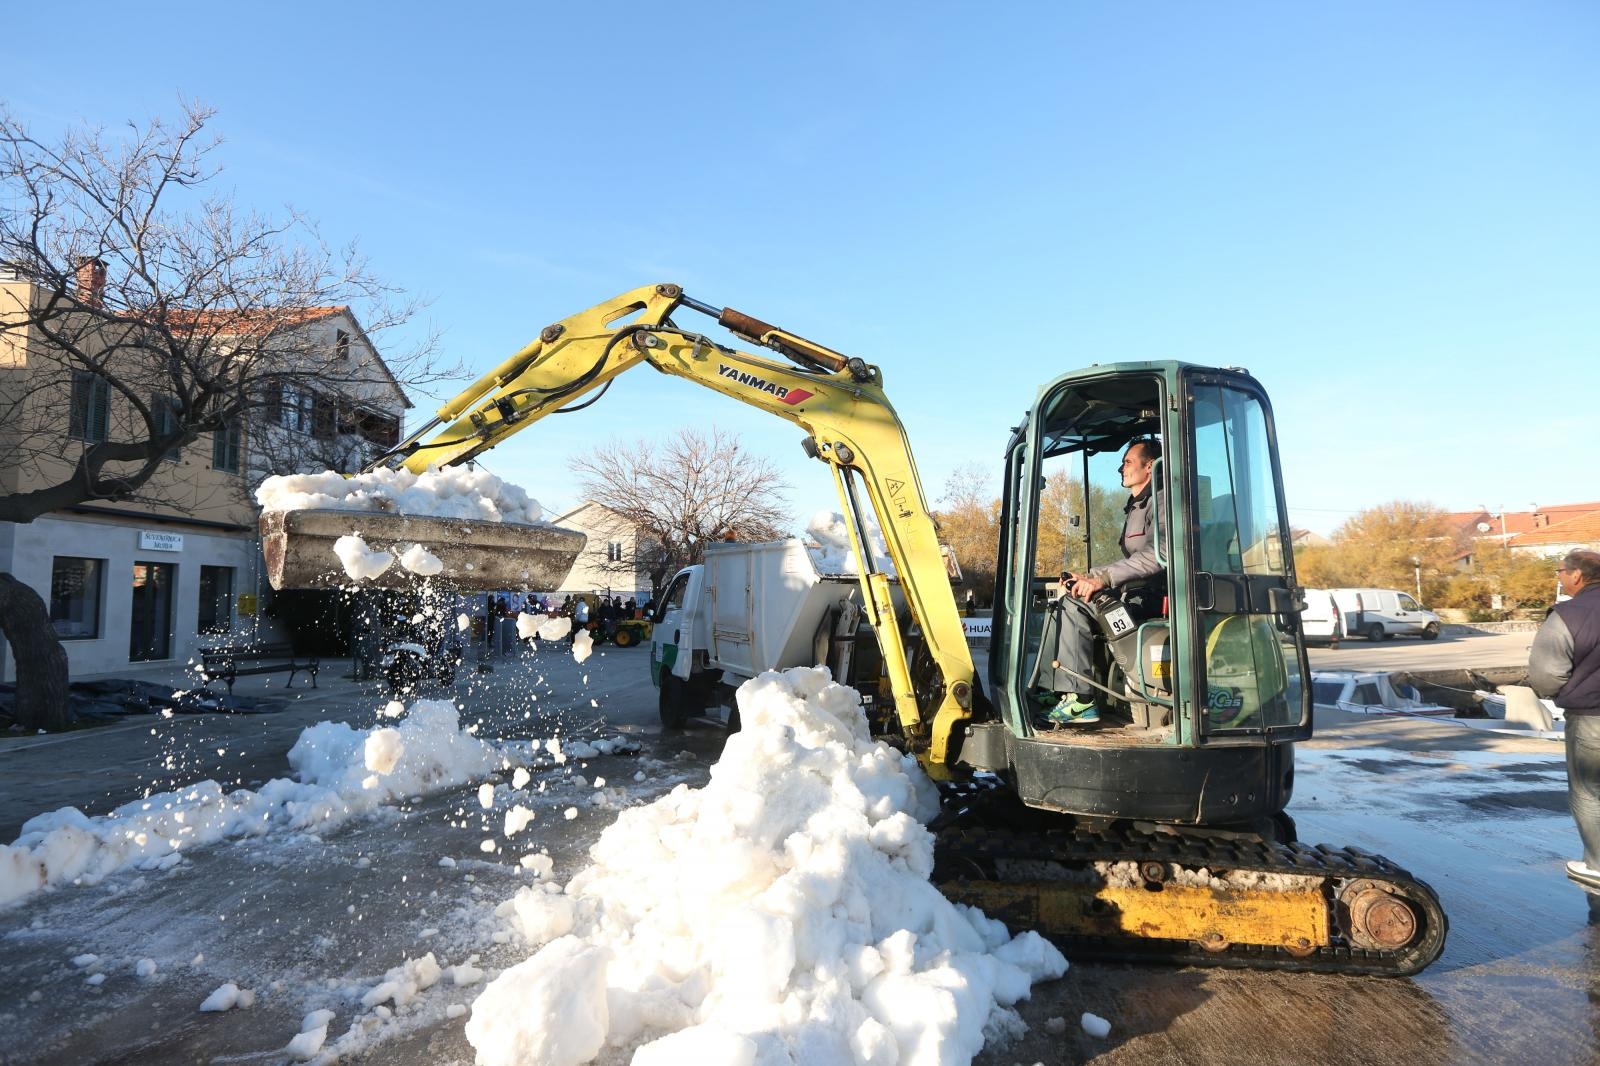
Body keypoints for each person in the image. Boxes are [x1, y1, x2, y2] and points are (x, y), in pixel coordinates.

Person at [1037, 438, 1164, 726]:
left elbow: (1159, 555)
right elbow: (1132, 560)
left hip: (1153, 600)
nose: (1122, 468)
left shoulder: (1163, 500)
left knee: (1074, 604)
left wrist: (1102, 580)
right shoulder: (1137, 505)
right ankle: (1056, 687)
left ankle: (1081, 699)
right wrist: (1089, 577)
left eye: (1128, 462)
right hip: (1133, 594)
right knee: (1061, 599)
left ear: (1150, 466)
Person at [1530, 550, 1600, 894]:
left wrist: (1558, 691)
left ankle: (1597, 866)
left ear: (1576, 575)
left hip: (1591, 717)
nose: (1558, 576)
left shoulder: (1567, 615)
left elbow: (1545, 674)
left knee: (1589, 791)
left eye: (1560, 571)